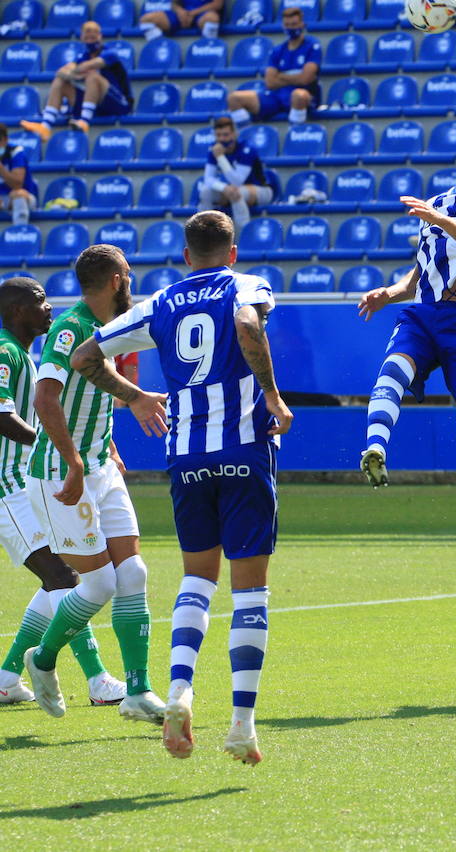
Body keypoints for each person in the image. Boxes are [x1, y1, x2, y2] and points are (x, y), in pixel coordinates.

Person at [70, 210, 290, 765]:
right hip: (242, 451)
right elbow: (246, 324)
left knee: (197, 578)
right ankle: (241, 724)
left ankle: (178, 693)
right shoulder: (247, 284)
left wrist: (135, 398)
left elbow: (84, 357)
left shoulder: (161, 302)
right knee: (250, 589)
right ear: (232, 253)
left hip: (187, 459)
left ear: (186, 256)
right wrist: (270, 394)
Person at [357, 131, 456, 594]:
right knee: (392, 370)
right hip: (423, 313)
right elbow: (422, 269)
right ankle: (376, 449)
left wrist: (440, 218)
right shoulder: (439, 202)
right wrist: (390, 292)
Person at [21, 245, 164, 723]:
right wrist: (74, 461)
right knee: (99, 582)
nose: (132, 282)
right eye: (129, 274)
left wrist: (107, 447)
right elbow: (45, 398)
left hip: (101, 467)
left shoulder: (108, 331)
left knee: (134, 575)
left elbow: (93, 392)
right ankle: (40, 661)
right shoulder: (71, 329)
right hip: (62, 473)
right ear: (118, 280)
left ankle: (138, 692)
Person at [0, 278, 123, 707]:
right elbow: (1, 415)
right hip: (7, 488)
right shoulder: (5, 351)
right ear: (16, 311)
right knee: (63, 576)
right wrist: (54, 444)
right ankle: (98, 680)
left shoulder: (23, 353)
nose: (49, 307)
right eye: (39, 301)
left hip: (22, 484)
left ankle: (7, 675)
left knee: (60, 576)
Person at [19, 21, 132, 141]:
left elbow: (90, 65)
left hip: (119, 104)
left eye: (94, 31)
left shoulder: (110, 53)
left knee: (92, 76)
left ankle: (84, 122)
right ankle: (45, 127)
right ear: (82, 37)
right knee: (60, 81)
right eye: (87, 31)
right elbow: (61, 72)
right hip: (96, 105)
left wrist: (75, 71)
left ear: (100, 36)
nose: (91, 34)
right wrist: (76, 73)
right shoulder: (82, 56)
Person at [225, 7, 320, 127]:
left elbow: (306, 79)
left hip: (303, 97)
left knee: (298, 95)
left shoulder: (312, 47)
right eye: (287, 24)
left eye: (294, 24)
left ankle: (295, 134)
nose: (291, 28)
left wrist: (280, 76)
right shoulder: (278, 50)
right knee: (234, 99)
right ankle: (246, 135)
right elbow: (270, 82)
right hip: (276, 96)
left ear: (302, 24)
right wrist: (295, 77)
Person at [198, 116, 271, 229]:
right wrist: (223, 188)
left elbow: (237, 181)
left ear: (234, 134)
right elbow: (208, 179)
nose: (222, 139)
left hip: (261, 190)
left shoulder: (247, 149)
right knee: (206, 192)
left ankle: (243, 234)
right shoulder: (213, 149)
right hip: (231, 189)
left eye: (226, 135)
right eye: (218, 135)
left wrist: (220, 157)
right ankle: (203, 232)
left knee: (237, 192)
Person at [0, 124, 38, 226]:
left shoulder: (16, 153)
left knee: (18, 195)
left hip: (25, 197)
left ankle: (20, 231)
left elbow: (17, 185)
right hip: (2, 199)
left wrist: (1, 169)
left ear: (5, 140)